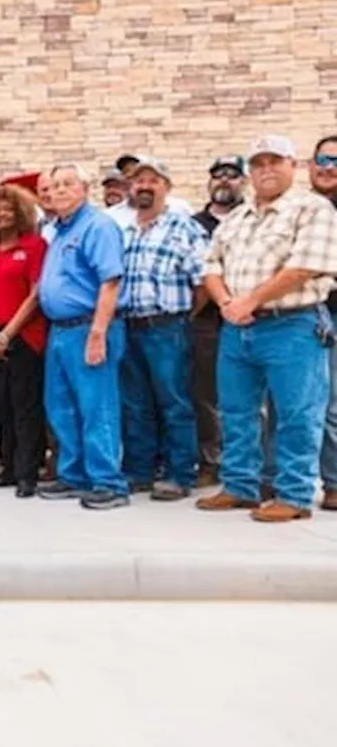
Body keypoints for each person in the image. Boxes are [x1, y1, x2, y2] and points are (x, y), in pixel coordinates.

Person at [199, 135, 337, 522]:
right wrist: (227, 302)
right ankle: (240, 486)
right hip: (237, 327)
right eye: (258, 163)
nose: (266, 170)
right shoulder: (237, 217)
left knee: (298, 413)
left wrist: (249, 301)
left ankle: (293, 495)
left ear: (292, 165)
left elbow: (305, 266)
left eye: (275, 162)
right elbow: (211, 266)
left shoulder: (313, 208)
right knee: (236, 411)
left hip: (292, 324)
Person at [36, 164, 130, 510]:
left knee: (96, 406)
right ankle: (73, 474)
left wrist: (98, 332)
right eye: (54, 185)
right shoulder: (57, 231)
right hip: (60, 332)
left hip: (89, 327)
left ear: (85, 189)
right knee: (61, 407)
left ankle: (108, 481)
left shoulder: (98, 226)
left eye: (67, 184)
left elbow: (110, 281)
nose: (59, 191)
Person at [117, 157, 208, 501]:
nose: (144, 186)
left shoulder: (183, 228)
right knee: (135, 403)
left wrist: (183, 316)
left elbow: (202, 282)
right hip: (128, 326)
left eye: (153, 180)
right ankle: (139, 471)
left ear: (166, 187)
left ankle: (179, 473)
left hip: (167, 327)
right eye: (138, 181)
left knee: (174, 402)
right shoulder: (124, 232)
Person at [0, 185, 48, 498]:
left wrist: (7, 333)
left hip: (23, 336)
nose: (3, 214)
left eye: (9, 209)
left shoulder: (34, 246)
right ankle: (7, 466)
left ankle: (28, 472)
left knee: (24, 405)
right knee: (1, 406)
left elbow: (35, 293)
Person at [190, 155, 248, 487]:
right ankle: (211, 461)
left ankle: (248, 465)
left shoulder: (252, 220)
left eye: (232, 175)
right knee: (205, 393)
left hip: (247, 314)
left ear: (244, 181)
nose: (224, 180)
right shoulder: (192, 223)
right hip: (206, 319)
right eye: (217, 175)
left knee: (246, 397)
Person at [309, 135, 337, 510]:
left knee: (331, 404)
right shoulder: (301, 208)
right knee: (288, 404)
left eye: (335, 159)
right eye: (321, 158)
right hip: (305, 313)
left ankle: (334, 481)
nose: (328, 166)